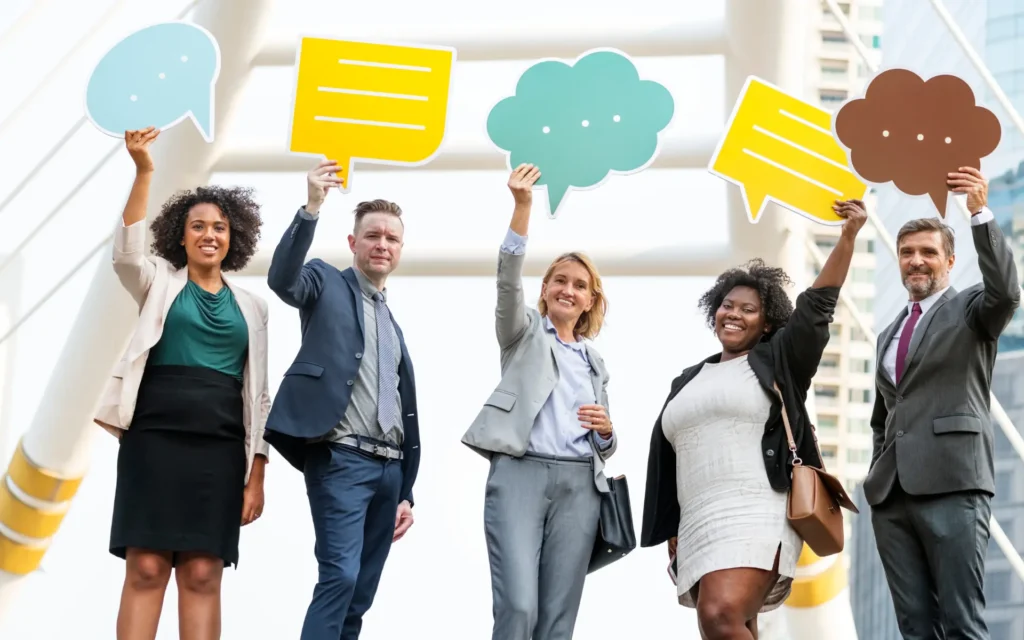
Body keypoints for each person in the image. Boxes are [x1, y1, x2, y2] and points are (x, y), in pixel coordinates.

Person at [640, 200, 869, 639]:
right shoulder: (687, 380)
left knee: (719, 614)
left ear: (767, 324)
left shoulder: (777, 360)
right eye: (727, 305)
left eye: (748, 309)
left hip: (757, 508)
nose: (734, 314)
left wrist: (847, 238)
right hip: (699, 517)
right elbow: (673, 456)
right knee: (730, 625)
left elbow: (817, 307)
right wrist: (671, 524)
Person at [93, 127, 271, 640]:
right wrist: (144, 170)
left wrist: (256, 474)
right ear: (181, 235)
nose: (208, 235)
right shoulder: (158, 282)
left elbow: (259, 396)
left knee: (202, 572)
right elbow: (125, 254)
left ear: (233, 237)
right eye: (198, 226)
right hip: (153, 440)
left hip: (219, 450)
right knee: (147, 567)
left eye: (219, 227)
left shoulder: (254, 308)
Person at [264, 159, 419, 640]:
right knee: (340, 576)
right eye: (372, 235)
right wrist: (312, 207)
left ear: (400, 250)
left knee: (360, 594)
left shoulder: (393, 324)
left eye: (391, 238)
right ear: (353, 243)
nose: (382, 244)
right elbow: (282, 279)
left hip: (390, 470)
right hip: (342, 459)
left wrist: (406, 490)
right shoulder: (324, 282)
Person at [461, 164, 617, 640]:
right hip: (520, 475)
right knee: (518, 607)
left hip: (580, 486)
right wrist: (522, 206)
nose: (568, 289)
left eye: (579, 285)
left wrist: (606, 431)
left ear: (590, 301)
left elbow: (605, 446)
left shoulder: (594, 362)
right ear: (545, 290)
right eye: (559, 281)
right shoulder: (523, 333)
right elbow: (508, 279)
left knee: (556, 620)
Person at [864, 167, 1019, 640]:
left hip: (953, 484)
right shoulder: (888, 334)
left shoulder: (972, 311)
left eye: (928, 252)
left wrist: (979, 213)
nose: (916, 261)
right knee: (915, 628)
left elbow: (1006, 291)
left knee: (961, 622)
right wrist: (877, 472)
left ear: (950, 261)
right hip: (892, 497)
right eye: (907, 252)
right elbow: (883, 417)